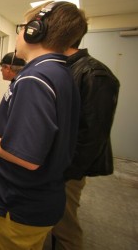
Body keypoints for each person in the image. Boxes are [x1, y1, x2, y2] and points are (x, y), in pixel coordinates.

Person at [0, 1, 86, 249]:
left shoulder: (34, 79)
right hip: (39, 200)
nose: (19, 34)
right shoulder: (60, 73)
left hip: (18, 206)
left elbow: (26, 157)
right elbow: (44, 137)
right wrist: (1, 131)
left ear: (34, 30)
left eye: (22, 27)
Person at [51, 39, 120, 249]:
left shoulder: (94, 73)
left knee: (65, 225)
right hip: (55, 165)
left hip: (67, 169)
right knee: (53, 219)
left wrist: (66, 172)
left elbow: (92, 135)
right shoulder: (63, 68)